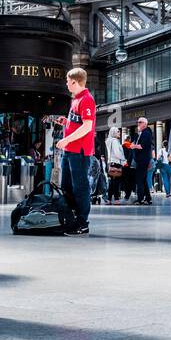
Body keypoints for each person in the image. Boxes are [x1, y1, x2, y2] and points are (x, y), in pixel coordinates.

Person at [55, 69, 97, 233]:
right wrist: (66, 122)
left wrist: (66, 140)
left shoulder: (86, 100)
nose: (66, 83)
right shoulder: (76, 100)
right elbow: (79, 123)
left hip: (78, 151)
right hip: (70, 150)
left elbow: (87, 127)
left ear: (74, 81)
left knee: (80, 186)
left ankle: (82, 222)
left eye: (67, 80)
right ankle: (71, 218)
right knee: (67, 185)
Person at [132, 117, 154, 205]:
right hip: (142, 159)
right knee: (143, 180)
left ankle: (140, 199)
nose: (138, 124)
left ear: (145, 124)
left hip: (142, 160)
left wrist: (133, 146)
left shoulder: (146, 133)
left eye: (140, 122)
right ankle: (148, 198)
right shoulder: (142, 133)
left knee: (139, 180)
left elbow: (142, 146)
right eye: (138, 122)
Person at [105, 127, 125, 204]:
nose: (119, 133)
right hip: (116, 163)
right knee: (116, 182)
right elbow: (117, 153)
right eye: (117, 131)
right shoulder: (115, 141)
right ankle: (116, 199)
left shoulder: (109, 141)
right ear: (113, 133)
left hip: (111, 163)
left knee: (112, 182)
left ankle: (109, 199)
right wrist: (123, 159)